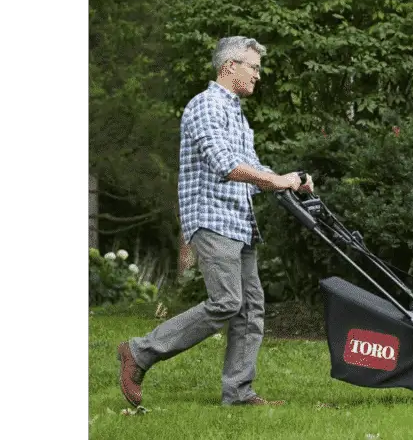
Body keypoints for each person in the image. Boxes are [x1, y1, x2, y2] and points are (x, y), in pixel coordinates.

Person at [117, 36, 313, 408]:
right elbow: (226, 165)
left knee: (251, 307)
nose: (258, 75)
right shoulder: (206, 105)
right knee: (226, 302)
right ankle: (139, 352)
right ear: (229, 67)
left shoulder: (235, 113)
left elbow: (252, 168)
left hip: (239, 222)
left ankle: (238, 393)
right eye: (253, 67)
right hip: (213, 218)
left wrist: (291, 180)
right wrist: (275, 181)